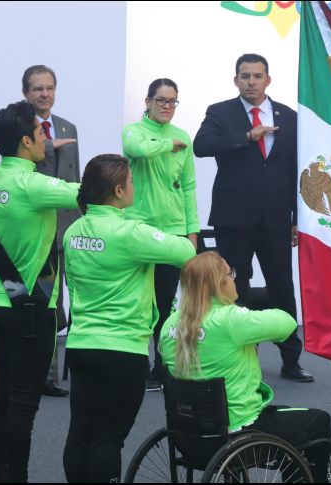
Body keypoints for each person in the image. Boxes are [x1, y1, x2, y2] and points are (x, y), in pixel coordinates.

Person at [62, 154, 195, 482]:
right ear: (119, 191)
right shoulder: (131, 233)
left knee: (80, 434)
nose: (135, 187)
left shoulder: (73, 231)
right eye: (132, 182)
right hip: (122, 350)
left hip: (80, 345)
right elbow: (185, 253)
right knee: (108, 438)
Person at [159, 251, 331, 480]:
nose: (234, 279)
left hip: (188, 438)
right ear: (218, 284)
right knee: (319, 420)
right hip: (238, 433)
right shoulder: (230, 320)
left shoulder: (169, 324)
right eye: (231, 274)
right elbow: (288, 323)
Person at [0, 100, 80, 483]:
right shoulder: (35, 183)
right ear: (25, 140)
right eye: (41, 133)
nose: (46, 139)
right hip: (35, 311)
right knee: (23, 404)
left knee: (1, 397)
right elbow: (90, 194)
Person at [193, 53, 313, 383]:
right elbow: (200, 146)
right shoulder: (220, 112)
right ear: (236, 80)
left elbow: (294, 171)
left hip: (276, 219)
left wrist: (295, 217)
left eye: (257, 76)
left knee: (282, 288)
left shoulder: (289, 117)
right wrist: (247, 137)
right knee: (235, 287)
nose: (251, 82)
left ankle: (291, 358)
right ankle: (242, 357)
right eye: (244, 76)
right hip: (234, 219)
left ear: (268, 80)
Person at [122, 78, 199, 392]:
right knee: (142, 302)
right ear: (148, 101)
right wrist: (168, 145)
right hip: (141, 231)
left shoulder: (183, 137)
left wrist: (191, 233)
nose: (167, 107)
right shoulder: (135, 131)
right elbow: (137, 150)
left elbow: (189, 188)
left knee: (167, 303)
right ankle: (136, 365)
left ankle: (163, 366)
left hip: (174, 233)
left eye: (173, 101)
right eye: (161, 100)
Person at [22, 64, 80, 398]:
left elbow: (74, 178)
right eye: (37, 89)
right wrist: (48, 146)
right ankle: (45, 375)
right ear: (25, 92)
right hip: (38, 226)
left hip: (69, 226)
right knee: (47, 304)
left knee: (78, 298)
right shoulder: (17, 124)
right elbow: (15, 161)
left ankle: (78, 369)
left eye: (49, 88)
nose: (45, 94)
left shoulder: (68, 125)